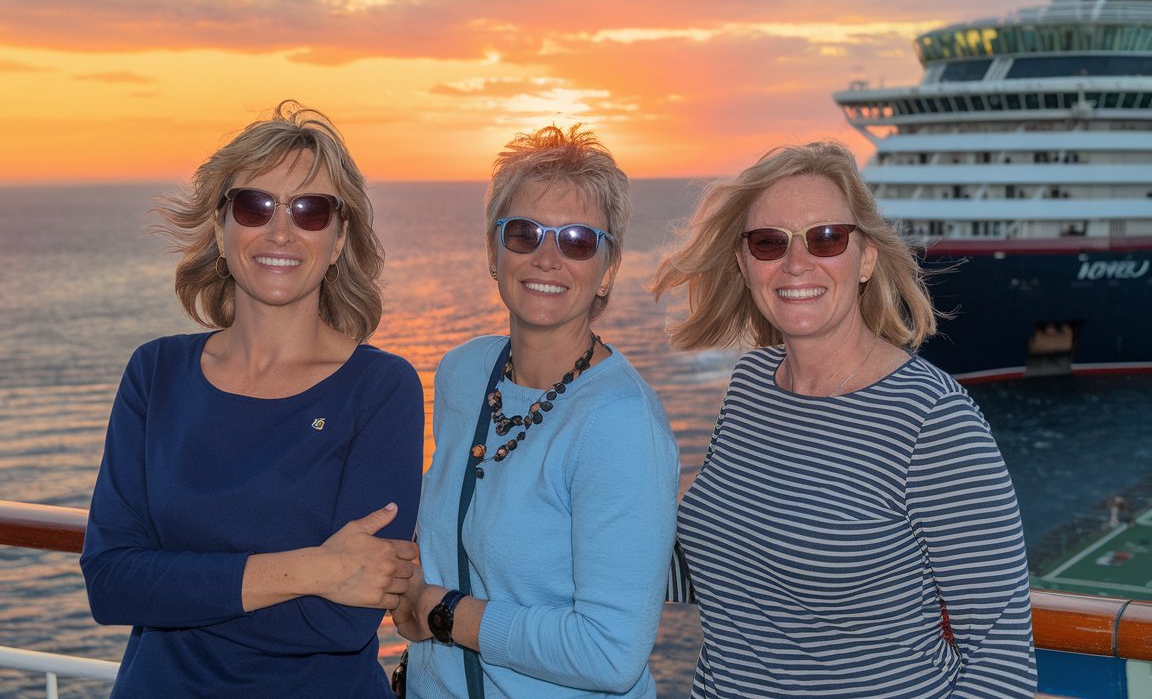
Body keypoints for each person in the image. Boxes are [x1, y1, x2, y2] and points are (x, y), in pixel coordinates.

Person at [650, 141, 1035, 698]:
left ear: (867, 257)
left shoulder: (933, 420)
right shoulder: (752, 386)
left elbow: (1001, 665)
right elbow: (724, 566)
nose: (795, 263)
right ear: (744, 262)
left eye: (826, 238)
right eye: (768, 242)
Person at [80, 100, 424, 698]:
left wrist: (176, 586)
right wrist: (317, 569)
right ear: (220, 227)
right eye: (254, 205)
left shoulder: (381, 389)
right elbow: (112, 583)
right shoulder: (155, 373)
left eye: (311, 210)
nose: (281, 230)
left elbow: (341, 621)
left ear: (340, 238)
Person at [391, 124, 680, 699]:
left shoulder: (620, 423)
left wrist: (443, 613)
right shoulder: (462, 373)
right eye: (523, 233)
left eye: (577, 240)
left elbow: (609, 654)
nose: (547, 257)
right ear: (493, 253)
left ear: (609, 268)